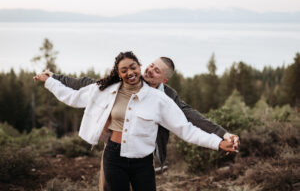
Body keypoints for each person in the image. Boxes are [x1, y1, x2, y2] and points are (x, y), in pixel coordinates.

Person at [34, 51, 237, 191]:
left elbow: (187, 127)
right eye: (150, 66)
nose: (148, 71)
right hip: (113, 154)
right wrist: (51, 80)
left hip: (142, 160)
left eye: (156, 71)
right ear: (119, 72)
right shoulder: (106, 88)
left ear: (163, 79)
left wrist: (219, 141)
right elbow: (75, 94)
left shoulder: (162, 99)